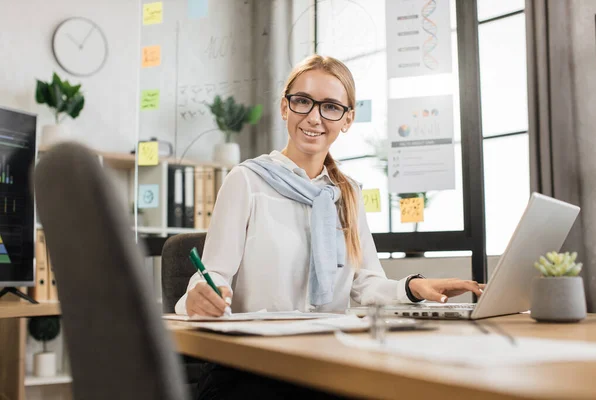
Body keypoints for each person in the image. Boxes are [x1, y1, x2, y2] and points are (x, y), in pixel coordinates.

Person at [175, 54, 484, 398]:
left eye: (331, 107)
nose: (314, 117)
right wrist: (200, 296)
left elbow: (366, 282)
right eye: (303, 101)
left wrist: (414, 288)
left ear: (347, 119)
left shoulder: (346, 192)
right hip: (252, 367)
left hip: (326, 361)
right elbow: (213, 273)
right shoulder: (246, 180)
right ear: (284, 107)